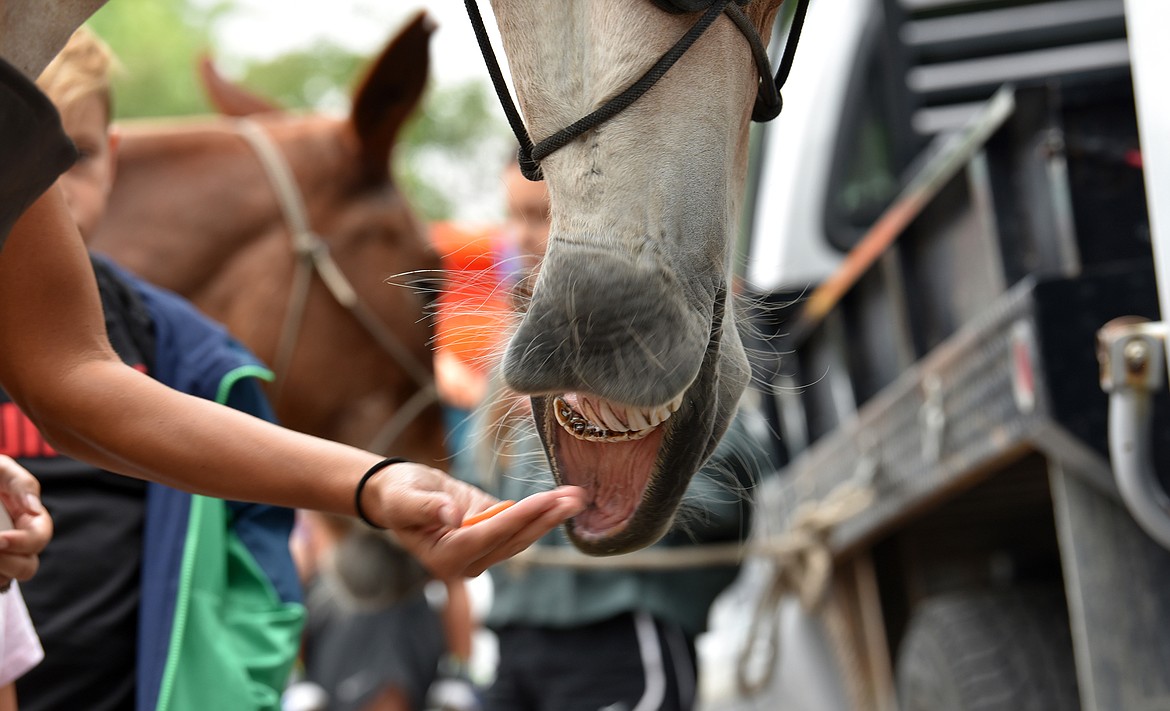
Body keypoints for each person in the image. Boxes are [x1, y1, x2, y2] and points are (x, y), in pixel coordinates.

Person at [0, 10, 585, 585]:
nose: (63, 188)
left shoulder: (14, 129)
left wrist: (374, 484)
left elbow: (72, 373)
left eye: (79, 158)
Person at [5, 29, 302, 710]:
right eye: (19, 162)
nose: (52, 191)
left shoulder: (188, 355)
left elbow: (259, 538)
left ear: (113, 159)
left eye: (72, 158)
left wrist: (236, 687)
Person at [453, 155, 776, 711]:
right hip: (517, 638)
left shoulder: (664, 332)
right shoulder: (512, 348)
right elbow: (474, 471)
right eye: (515, 217)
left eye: (540, 216)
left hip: (624, 630)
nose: (524, 237)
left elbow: (736, 472)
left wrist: (619, 499)